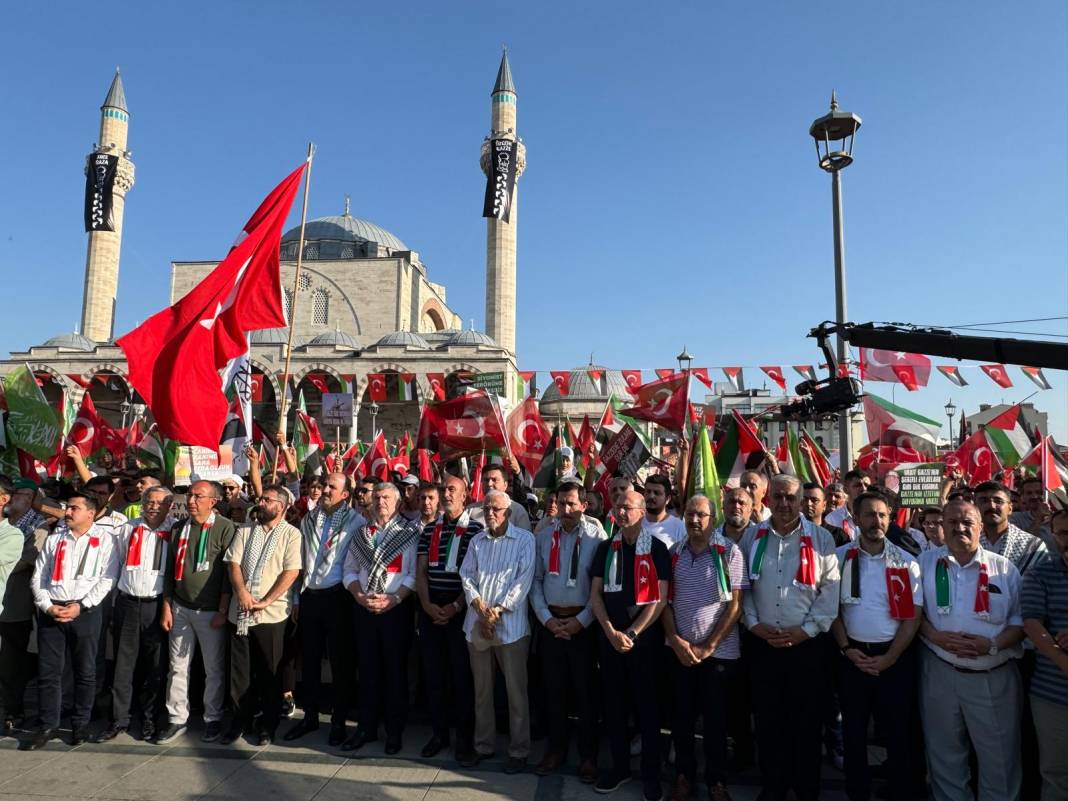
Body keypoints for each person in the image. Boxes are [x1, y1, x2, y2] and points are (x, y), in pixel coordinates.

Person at [741, 474, 841, 801]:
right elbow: (742, 588)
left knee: (806, 723)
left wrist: (806, 631)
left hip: (807, 647)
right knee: (769, 723)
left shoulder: (822, 538)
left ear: (802, 502)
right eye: (779, 497)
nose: (784, 504)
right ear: (768, 499)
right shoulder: (752, 536)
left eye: (791, 498)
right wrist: (753, 624)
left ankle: (806, 788)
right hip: (764, 644)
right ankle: (774, 786)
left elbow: (829, 591)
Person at [918, 498, 1025, 801]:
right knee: (944, 758)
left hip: (993, 677)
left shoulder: (1004, 570)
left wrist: (992, 644)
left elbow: (1020, 622)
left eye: (967, 522)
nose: (959, 528)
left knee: (1000, 762)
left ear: (980, 526)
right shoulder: (924, 563)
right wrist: (936, 637)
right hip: (940, 673)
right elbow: (915, 616)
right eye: (951, 522)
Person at [831, 492, 923, 801]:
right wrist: (846, 648)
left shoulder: (907, 562)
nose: (877, 521)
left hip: (894, 659)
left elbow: (912, 618)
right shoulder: (840, 558)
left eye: (882, 515)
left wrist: (890, 658)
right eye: (869, 515)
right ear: (856, 518)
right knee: (854, 734)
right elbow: (832, 611)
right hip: (853, 656)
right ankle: (857, 793)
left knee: (898, 734)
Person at [590, 489, 671, 801]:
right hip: (610, 640)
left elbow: (660, 598)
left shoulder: (657, 549)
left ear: (641, 511)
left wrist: (634, 633)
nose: (621, 512)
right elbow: (596, 593)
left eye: (627, 507)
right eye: (618, 507)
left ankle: (651, 774)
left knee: (647, 710)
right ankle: (620, 767)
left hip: (644, 642)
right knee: (614, 707)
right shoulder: (606, 548)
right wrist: (610, 630)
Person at [663, 495, 745, 801]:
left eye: (701, 515)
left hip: (718, 654)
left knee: (715, 723)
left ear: (713, 518)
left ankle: (716, 781)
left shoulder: (729, 552)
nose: (694, 520)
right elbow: (665, 603)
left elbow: (735, 606)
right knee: (681, 720)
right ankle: (683, 777)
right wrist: (676, 640)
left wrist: (708, 646)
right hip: (680, 652)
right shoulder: (674, 553)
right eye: (689, 514)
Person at [22, 492, 116, 749]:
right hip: (53, 610)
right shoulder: (55, 540)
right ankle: (48, 725)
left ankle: (80, 724)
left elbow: (107, 579)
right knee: (49, 672)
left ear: (91, 513)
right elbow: (38, 578)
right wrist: (48, 606)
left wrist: (81, 606)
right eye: (67, 508)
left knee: (85, 671)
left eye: (74, 508)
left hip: (84, 612)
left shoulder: (105, 540)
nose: (67, 512)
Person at [529, 481, 606, 783]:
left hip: (582, 626)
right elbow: (536, 582)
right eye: (562, 503)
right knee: (554, 692)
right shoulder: (545, 536)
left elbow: (598, 587)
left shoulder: (596, 535)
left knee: (586, 694)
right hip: (551, 625)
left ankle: (588, 756)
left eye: (573, 504)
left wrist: (582, 621)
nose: (567, 510)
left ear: (584, 505)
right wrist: (547, 619)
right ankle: (555, 750)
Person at [459, 490, 536, 774]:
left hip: (511, 627)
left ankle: (519, 750)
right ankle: (483, 745)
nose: (491, 513)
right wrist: (480, 608)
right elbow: (466, 575)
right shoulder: (477, 540)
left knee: (516, 692)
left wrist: (497, 612)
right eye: (487, 508)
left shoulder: (524, 540)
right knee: (482, 691)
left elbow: (522, 581)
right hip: (477, 624)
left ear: (510, 512)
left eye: (497, 509)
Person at [284, 472, 365, 745]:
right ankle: (309, 718)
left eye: (332, 487)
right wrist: (297, 599)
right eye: (324, 485)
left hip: (339, 597)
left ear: (345, 495)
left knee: (341, 663)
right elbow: (301, 562)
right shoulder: (309, 519)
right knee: (309, 661)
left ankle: (339, 721)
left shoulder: (356, 522)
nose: (325, 490)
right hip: (310, 596)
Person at [342, 482, 421, 754]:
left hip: (395, 610)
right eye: (376, 497)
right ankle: (365, 728)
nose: (380, 502)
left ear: (398, 502)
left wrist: (394, 599)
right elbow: (349, 571)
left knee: (394, 672)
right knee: (367, 671)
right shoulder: (361, 533)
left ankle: (394, 731)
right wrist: (359, 596)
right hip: (364, 608)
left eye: (386, 497)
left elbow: (411, 575)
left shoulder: (409, 532)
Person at [222, 484, 301, 746]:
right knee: (239, 674)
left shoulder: (291, 535)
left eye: (267, 500)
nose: (261, 502)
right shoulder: (245, 531)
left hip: (272, 615)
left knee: (269, 673)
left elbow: (290, 572)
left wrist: (266, 600)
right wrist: (242, 593)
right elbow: (233, 563)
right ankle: (239, 721)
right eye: (260, 498)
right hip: (241, 612)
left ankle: (268, 724)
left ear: (280, 506)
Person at [158, 480, 236, 744]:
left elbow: (228, 574)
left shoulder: (226, 528)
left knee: (213, 669)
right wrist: (167, 606)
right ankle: (176, 718)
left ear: (213, 501)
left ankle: (212, 718)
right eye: (189, 495)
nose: (190, 500)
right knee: (177, 667)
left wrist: (223, 610)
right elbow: (170, 570)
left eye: (197, 496)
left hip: (211, 611)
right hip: (180, 607)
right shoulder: (180, 527)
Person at [97, 486, 176, 742]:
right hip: (128, 603)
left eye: (159, 503)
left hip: (158, 605)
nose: (153, 506)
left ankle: (150, 718)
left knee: (155, 665)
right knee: (123, 663)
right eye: (148, 502)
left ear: (169, 506)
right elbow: (114, 564)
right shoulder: (127, 529)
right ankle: (118, 719)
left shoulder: (175, 530)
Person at [415, 475, 481, 762]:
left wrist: (456, 606)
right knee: (434, 675)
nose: (446, 494)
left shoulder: (475, 530)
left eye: (452, 489)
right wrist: (427, 604)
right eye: (443, 489)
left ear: (465, 494)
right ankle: (439, 734)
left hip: (460, 611)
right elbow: (420, 572)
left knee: (461, 677)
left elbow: (476, 575)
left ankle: (464, 738)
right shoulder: (430, 530)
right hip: (431, 610)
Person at [1022, 508, 1068, 801]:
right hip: (1053, 695)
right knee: (1056, 773)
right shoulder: (1040, 573)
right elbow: (1032, 624)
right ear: (1054, 536)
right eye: (1064, 533)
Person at [0, 480, 47, 734]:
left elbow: (27, 559)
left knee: (11, 662)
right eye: (15, 493)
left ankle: (14, 710)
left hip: (15, 603)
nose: (17, 498)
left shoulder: (36, 526)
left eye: (22, 494)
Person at [974, 480, 1049, 576]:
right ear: (975, 507)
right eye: (984, 501)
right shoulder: (965, 542)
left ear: (1010, 508)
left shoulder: (1033, 545)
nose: (991, 506)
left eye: (998, 501)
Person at [467, 464, 532, 533]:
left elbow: (525, 538)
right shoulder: (470, 510)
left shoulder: (518, 510)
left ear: (505, 485)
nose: (489, 484)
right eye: (486, 480)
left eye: (494, 480)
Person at [643, 474, 686, 548]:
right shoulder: (634, 523)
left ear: (668, 499)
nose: (651, 496)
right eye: (648, 491)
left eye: (657, 493)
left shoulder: (679, 527)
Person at [1012, 476, 1054, 549]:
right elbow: (1020, 546)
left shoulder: (1059, 519)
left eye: (1039, 492)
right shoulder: (1015, 518)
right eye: (1029, 493)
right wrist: (1038, 518)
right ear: (1023, 497)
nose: (1034, 496)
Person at [826, 470, 870, 540]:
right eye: (857, 485)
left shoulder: (875, 517)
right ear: (846, 490)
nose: (863, 489)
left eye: (867, 485)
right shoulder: (832, 519)